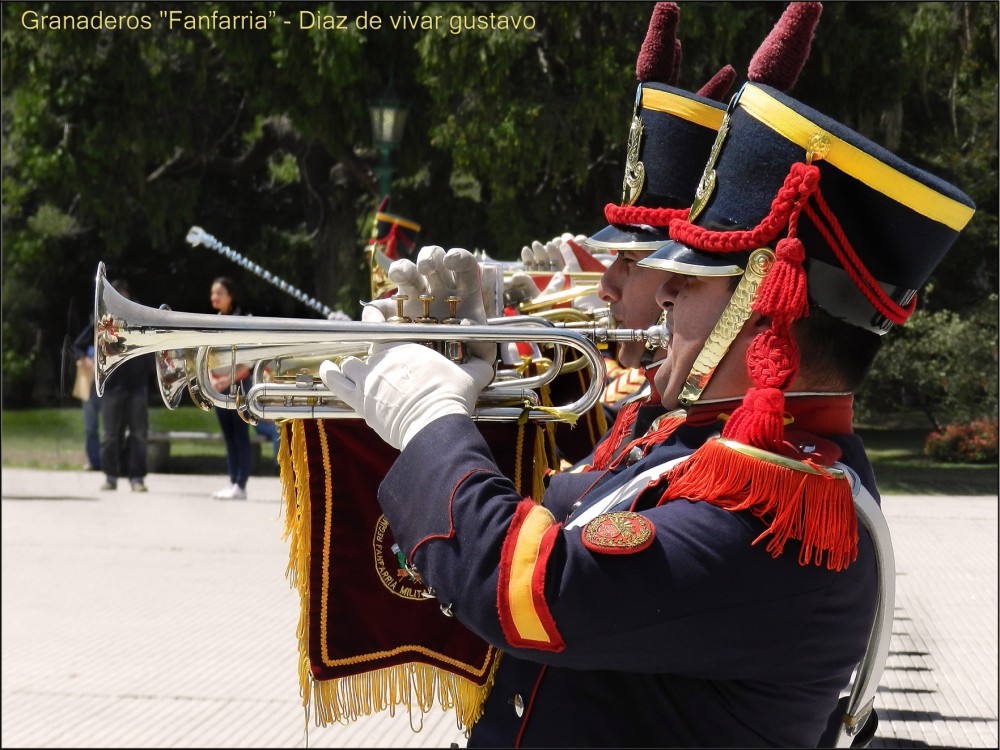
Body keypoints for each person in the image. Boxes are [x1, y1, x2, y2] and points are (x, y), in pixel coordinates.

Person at [317, 17, 975, 750]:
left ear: (765, 306)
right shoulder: (704, 449)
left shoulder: (776, 513)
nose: (661, 296)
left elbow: (531, 592)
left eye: (689, 282)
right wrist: (473, 407)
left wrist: (432, 422)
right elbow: (554, 523)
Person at [98, 279, 152, 492]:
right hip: (112, 385)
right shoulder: (105, 318)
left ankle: (137, 477)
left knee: (138, 433)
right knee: (110, 434)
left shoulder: (141, 316)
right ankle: (110, 476)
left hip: (136, 384)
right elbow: (82, 343)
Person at [208, 276, 253, 500]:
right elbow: (206, 355)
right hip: (219, 387)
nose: (214, 297)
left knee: (240, 434)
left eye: (219, 293)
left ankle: (241, 483)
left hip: (239, 385)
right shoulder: (212, 322)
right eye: (213, 293)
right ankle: (232, 481)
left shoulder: (244, 321)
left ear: (230, 296)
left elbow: (250, 361)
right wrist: (211, 379)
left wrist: (227, 379)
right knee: (228, 435)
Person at [72, 319, 102, 471]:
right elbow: (77, 346)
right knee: (91, 427)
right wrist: (84, 359)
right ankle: (94, 461)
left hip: (111, 388)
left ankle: (113, 461)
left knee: (113, 429)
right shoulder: (95, 325)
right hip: (90, 386)